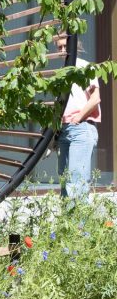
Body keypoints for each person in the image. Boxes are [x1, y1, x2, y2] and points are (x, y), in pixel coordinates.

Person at [57, 36, 102, 200]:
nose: (63, 50)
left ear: (75, 46)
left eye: (65, 46)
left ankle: (79, 218)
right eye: (59, 47)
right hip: (64, 129)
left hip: (81, 128)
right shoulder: (61, 72)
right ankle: (67, 217)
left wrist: (78, 118)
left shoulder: (85, 67)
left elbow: (95, 99)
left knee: (76, 181)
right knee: (64, 180)